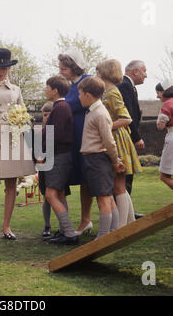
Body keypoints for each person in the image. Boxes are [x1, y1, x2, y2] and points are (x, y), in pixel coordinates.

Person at [0, 48, 36, 240]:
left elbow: (23, 114)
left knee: (11, 184)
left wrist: (30, 145)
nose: (1, 71)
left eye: (4, 67)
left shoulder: (16, 89)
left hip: (12, 137)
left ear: (9, 67)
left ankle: (7, 227)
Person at [96, 59, 142, 227]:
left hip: (118, 140)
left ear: (104, 74)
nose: (96, 75)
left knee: (119, 186)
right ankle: (128, 223)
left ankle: (122, 227)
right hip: (115, 139)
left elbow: (126, 118)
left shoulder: (112, 93)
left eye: (98, 72)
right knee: (119, 186)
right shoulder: (108, 92)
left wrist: (106, 126)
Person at [78, 76, 124, 238]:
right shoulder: (93, 111)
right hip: (93, 159)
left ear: (88, 95)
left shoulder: (100, 113)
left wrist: (115, 160)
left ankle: (103, 236)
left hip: (98, 159)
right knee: (107, 196)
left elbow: (109, 141)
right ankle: (113, 231)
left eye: (80, 94)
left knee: (103, 198)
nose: (79, 97)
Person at [38, 75, 77, 245]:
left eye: (47, 87)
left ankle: (69, 233)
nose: (45, 90)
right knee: (59, 195)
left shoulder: (60, 108)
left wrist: (43, 154)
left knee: (51, 194)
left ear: (55, 90)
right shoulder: (60, 106)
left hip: (58, 157)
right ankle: (63, 231)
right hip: (59, 156)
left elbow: (57, 134)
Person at [58, 47, 93, 235]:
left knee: (86, 179)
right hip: (71, 136)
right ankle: (67, 224)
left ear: (74, 66)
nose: (61, 71)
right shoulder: (69, 86)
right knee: (74, 178)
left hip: (85, 135)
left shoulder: (87, 81)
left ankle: (86, 220)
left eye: (64, 68)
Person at [117, 60, 147, 214]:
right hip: (124, 138)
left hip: (127, 137)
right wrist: (136, 137)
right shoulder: (124, 86)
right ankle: (124, 213)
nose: (146, 75)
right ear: (135, 71)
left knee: (128, 176)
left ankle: (127, 211)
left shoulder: (129, 87)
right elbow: (128, 114)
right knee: (125, 175)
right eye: (144, 71)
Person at [37, 101, 53, 237]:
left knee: (58, 196)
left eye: (49, 115)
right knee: (46, 197)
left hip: (55, 166)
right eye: (44, 115)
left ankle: (64, 226)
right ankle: (47, 225)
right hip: (43, 168)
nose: (46, 118)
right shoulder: (40, 132)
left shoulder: (57, 131)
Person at [156, 80, 173, 189]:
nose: (157, 96)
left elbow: (160, 126)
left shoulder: (167, 105)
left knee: (164, 176)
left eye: (158, 92)